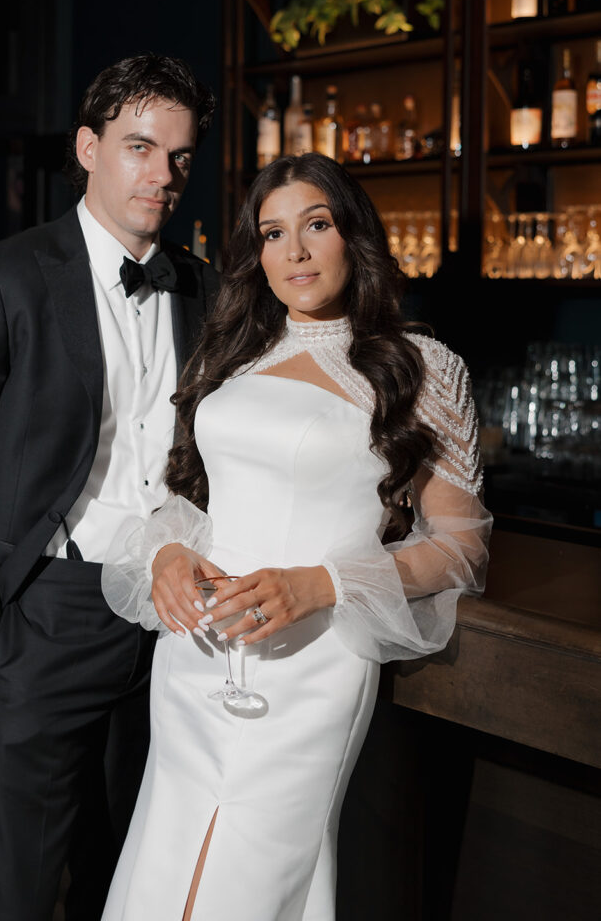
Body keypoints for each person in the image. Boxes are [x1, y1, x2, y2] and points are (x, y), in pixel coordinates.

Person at [100, 152, 491, 921]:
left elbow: (461, 545)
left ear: (353, 236)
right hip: (198, 649)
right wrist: (167, 551)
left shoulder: (421, 367)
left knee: (253, 881)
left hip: (312, 658)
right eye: (273, 234)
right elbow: (191, 496)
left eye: (315, 225)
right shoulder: (233, 352)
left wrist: (320, 584)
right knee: (164, 858)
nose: (296, 252)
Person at [0, 53, 219, 921]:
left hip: (170, 630)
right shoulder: (3, 277)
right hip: (45, 617)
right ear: (87, 147)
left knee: (129, 879)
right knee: (15, 892)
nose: (161, 175)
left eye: (179, 156)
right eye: (139, 147)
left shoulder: (204, 285)